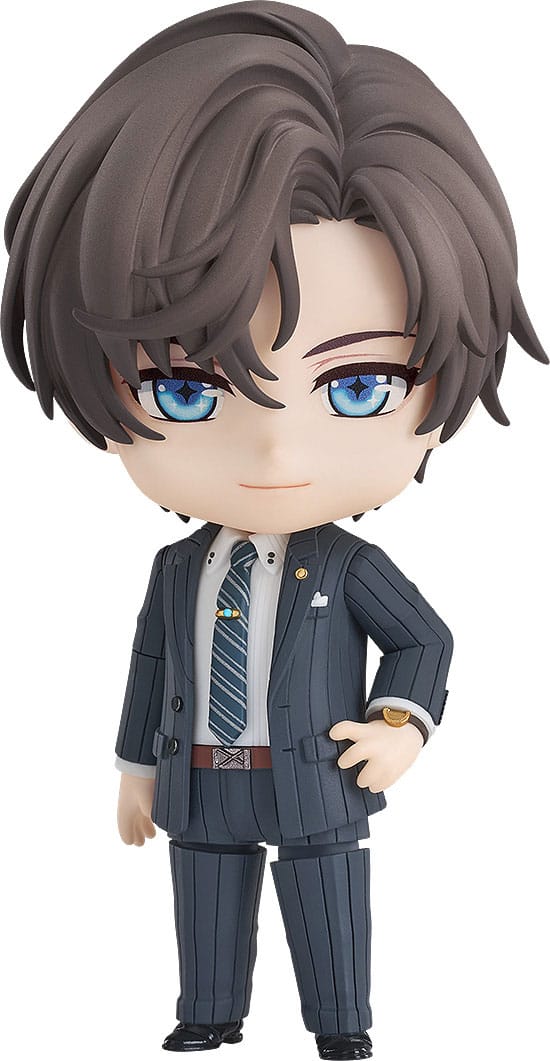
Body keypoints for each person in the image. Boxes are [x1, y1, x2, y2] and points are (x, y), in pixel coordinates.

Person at [2, 3, 545, 1057]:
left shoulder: (349, 564)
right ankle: (209, 1012)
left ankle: (341, 1026)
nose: (273, 450)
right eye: (187, 388)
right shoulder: (176, 566)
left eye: (358, 386)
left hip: (313, 772)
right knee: (204, 894)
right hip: (201, 772)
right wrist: (136, 764)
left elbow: (425, 638)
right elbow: (152, 660)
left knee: (327, 899)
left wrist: (401, 723)